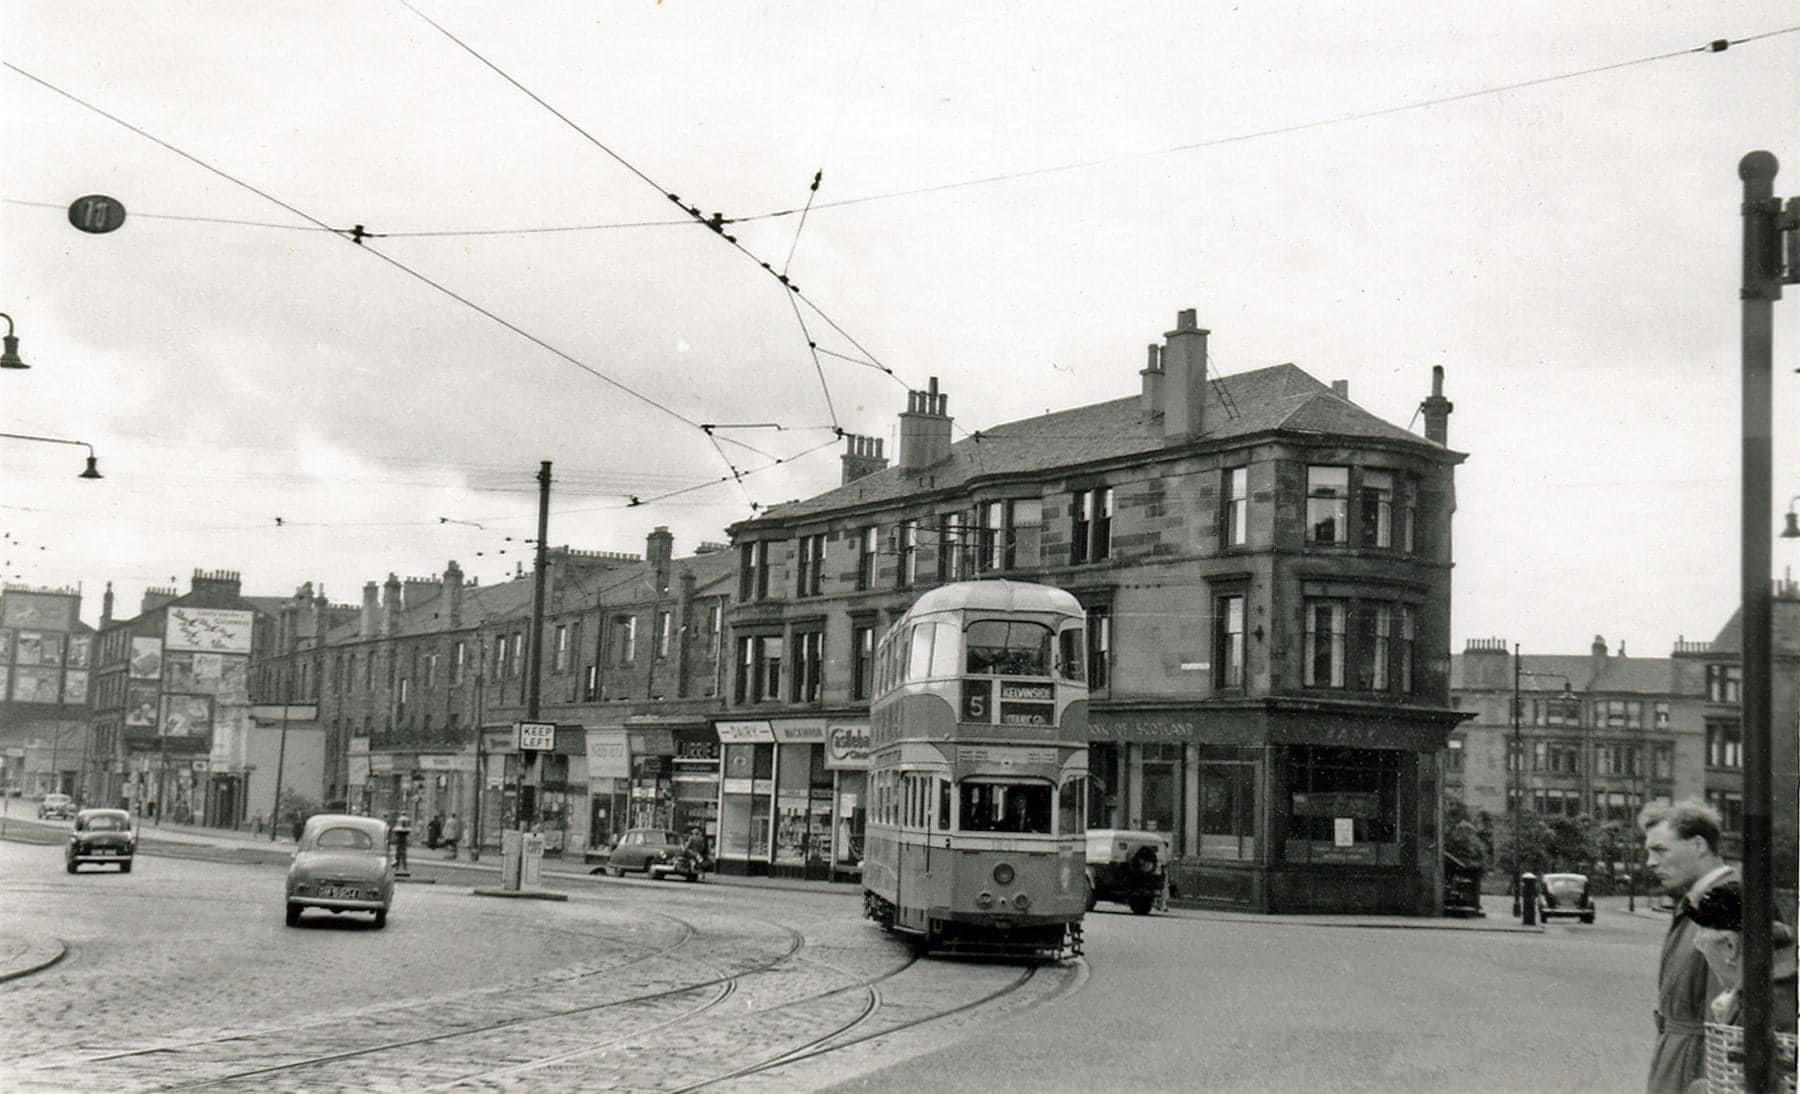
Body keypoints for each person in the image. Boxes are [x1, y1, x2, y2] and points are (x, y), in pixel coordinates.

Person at [1642, 799, 1738, 1094]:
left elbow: (1727, 1017)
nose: (1650, 862)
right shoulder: (1699, 900)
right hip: (1678, 1057)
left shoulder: (1727, 901)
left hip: (1696, 1067)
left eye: (1660, 850)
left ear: (1698, 845)